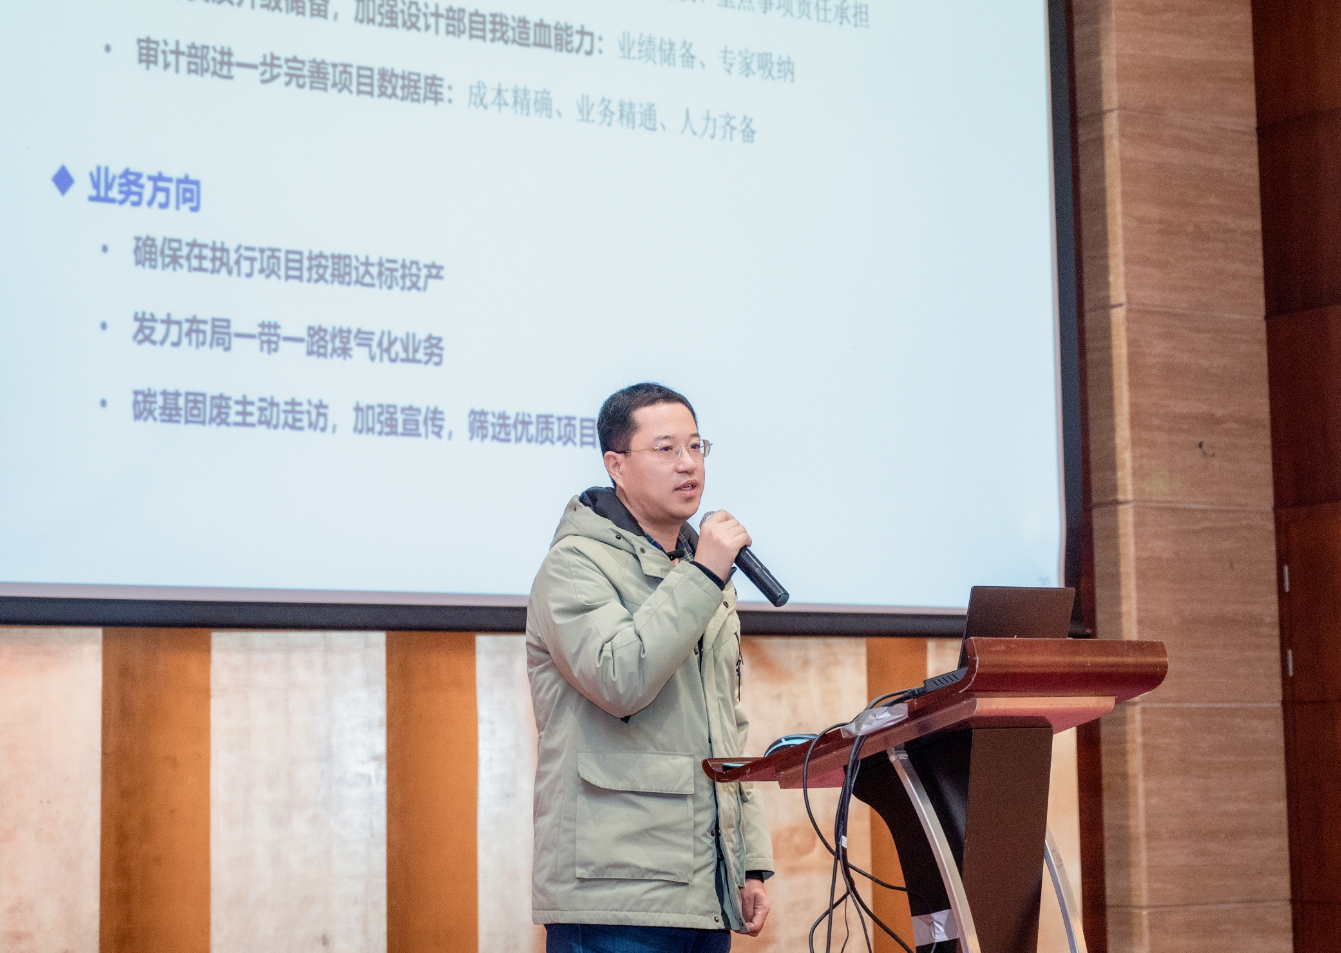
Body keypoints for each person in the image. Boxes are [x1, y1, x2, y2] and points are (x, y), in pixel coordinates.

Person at [527, 382, 774, 953]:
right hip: (613, 892)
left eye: (695, 446)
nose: (688, 463)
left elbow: (725, 726)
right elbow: (620, 681)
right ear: (616, 465)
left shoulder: (697, 572)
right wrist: (705, 574)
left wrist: (749, 861)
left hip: (704, 891)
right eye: (666, 449)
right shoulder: (574, 566)